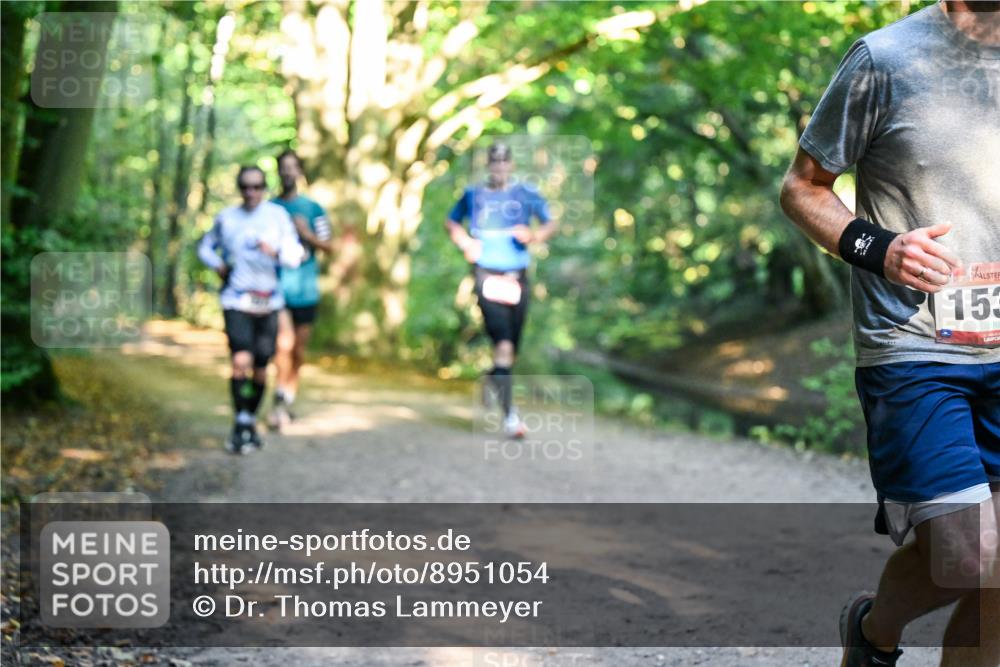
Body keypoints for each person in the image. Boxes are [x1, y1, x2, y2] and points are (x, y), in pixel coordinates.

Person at [780, 2, 999, 665]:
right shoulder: (884, 60)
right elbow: (802, 188)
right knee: (972, 554)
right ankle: (874, 630)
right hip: (914, 346)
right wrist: (881, 248)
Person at [446, 142, 559, 438]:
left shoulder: (526, 194)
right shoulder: (473, 195)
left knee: (510, 351)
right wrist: (465, 243)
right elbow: (452, 222)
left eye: (503, 162)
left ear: (511, 165)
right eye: (493, 162)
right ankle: (511, 418)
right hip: (487, 274)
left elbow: (551, 223)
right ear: (488, 165)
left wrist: (534, 236)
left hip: (517, 277)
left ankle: (492, 378)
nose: (498, 167)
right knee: (503, 344)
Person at [198, 165, 305, 454]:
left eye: (257, 186)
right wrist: (218, 264)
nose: (251, 192)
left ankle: (248, 420)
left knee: (260, 369)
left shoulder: (277, 217)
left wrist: (277, 252)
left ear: (264, 188)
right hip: (236, 300)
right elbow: (205, 247)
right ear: (239, 188)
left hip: (269, 301)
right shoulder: (227, 218)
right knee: (240, 361)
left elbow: (296, 255)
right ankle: (241, 421)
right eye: (245, 187)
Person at [267, 149, 333, 430]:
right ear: (278, 171)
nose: (288, 172)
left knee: (297, 352)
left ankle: (288, 396)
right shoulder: (268, 208)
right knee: (283, 345)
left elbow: (330, 246)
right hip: (276, 289)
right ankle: (279, 401)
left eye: (293, 167)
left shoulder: (313, 209)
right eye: (284, 167)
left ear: (300, 172)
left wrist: (306, 235)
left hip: (306, 290)